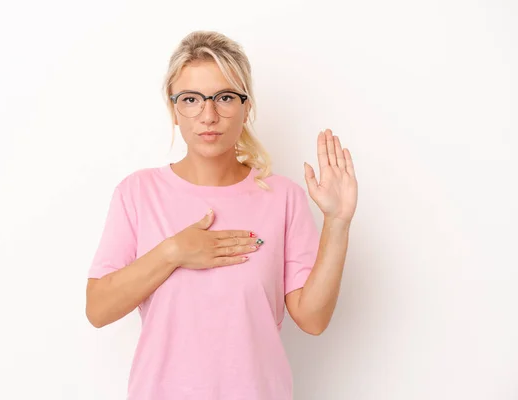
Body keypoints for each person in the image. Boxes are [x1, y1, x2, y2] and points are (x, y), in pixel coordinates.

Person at [85, 30, 358, 400]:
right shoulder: (137, 193)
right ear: (174, 109)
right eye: (191, 99)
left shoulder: (283, 198)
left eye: (224, 97)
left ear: (246, 107)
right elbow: (98, 309)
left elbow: (312, 319)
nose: (208, 115)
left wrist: (337, 224)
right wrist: (174, 252)